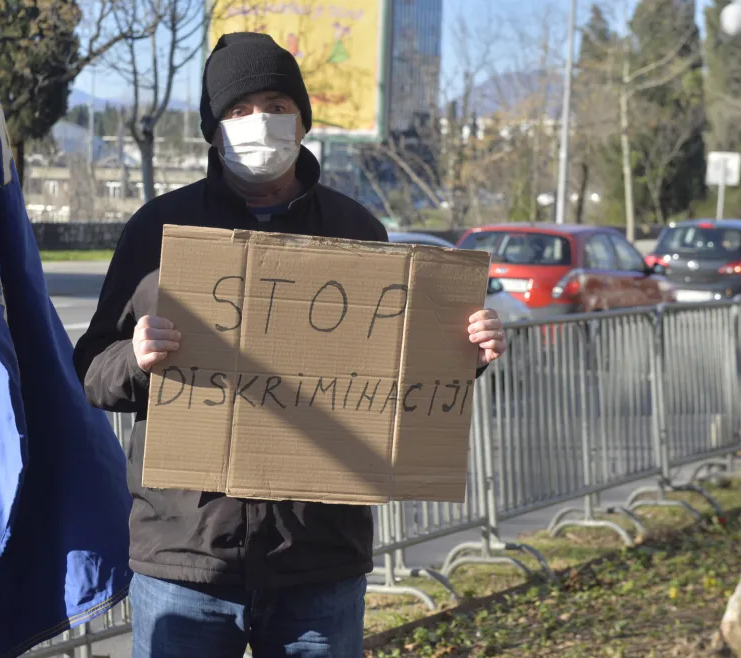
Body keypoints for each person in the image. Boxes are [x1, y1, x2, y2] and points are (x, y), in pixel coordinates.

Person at [73, 32, 507, 658]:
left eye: (275, 104)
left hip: (318, 557)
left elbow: (399, 374)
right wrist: (136, 358)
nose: (260, 123)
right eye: (239, 110)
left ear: (302, 118)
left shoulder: (358, 231)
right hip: (186, 557)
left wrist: (469, 352)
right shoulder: (158, 231)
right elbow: (90, 368)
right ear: (212, 129)